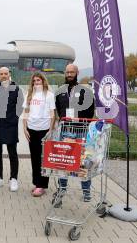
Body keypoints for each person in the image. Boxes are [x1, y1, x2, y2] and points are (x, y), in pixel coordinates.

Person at [55, 64, 95, 202]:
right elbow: (58, 109)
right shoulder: (60, 91)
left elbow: (90, 111)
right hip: (66, 131)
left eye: (72, 72)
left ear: (77, 73)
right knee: (64, 162)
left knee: (83, 162)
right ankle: (62, 189)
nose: (69, 74)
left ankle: (86, 191)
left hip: (81, 131)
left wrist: (82, 123)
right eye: (67, 72)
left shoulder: (85, 91)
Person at [0, 67, 24, 191]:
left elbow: (20, 107)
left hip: (10, 126)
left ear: (9, 74)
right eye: (1, 73)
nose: (3, 75)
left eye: (5, 73)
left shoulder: (17, 89)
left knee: (12, 153)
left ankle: (13, 179)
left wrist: (14, 120)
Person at [22, 73, 55, 197]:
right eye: (34, 80)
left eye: (38, 80)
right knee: (34, 158)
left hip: (44, 130)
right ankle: (37, 184)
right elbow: (26, 112)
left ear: (43, 81)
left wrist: (50, 130)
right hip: (32, 129)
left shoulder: (49, 95)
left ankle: (42, 185)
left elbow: (52, 114)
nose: (36, 82)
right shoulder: (29, 95)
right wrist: (24, 128)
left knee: (43, 159)